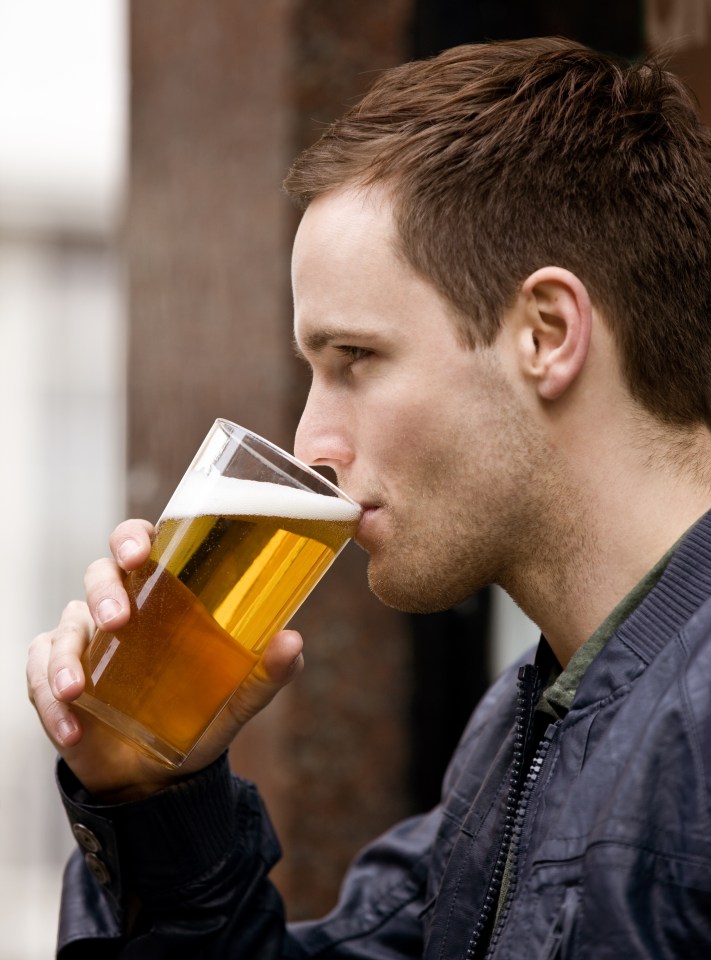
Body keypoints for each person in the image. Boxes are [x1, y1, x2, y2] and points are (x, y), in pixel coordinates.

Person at [27, 36, 711, 958]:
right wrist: (148, 797)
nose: (314, 446)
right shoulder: (518, 732)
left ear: (547, 334)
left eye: (355, 359)